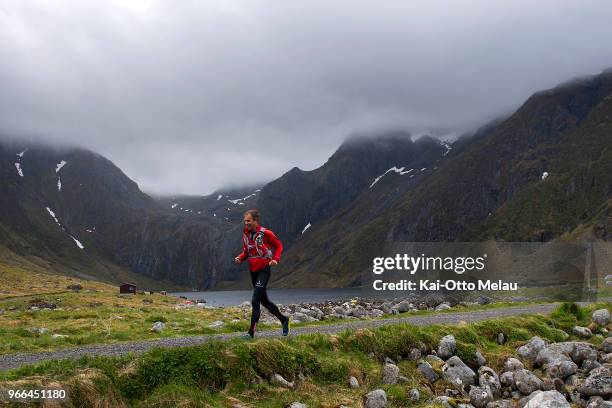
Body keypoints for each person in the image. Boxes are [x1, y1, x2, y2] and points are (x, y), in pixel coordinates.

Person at [234, 209, 290, 338]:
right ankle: (284, 320)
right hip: (253, 271)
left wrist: (276, 259)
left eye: (248, 221)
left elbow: (279, 245)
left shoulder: (266, 233)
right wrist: (240, 258)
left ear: (255, 221)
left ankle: (251, 333)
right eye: (245, 221)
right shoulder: (246, 235)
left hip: (264, 270)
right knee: (264, 301)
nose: (246, 223)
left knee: (255, 301)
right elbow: (246, 251)